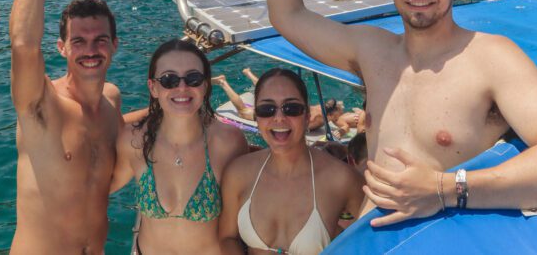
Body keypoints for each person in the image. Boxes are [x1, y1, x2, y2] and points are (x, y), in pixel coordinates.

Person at [267, 0, 537, 227]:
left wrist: (445, 189)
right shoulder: (371, 50)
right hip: (371, 243)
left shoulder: (492, 57)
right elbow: (288, 16)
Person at [9, 0, 123, 254]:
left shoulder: (111, 103)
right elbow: (24, 46)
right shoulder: (42, 104)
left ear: (114, 46)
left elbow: (114, 142)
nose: (90, 50)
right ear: (61, 48)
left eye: (99, 40)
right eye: (79, 41)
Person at [111, 39, 248, 255]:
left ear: (205, 85)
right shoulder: (134, 140)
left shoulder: (228, 142)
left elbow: (245, 214)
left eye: (193, 78)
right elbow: (99, 190)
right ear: (153, 87)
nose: (182, 88)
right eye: (169, 80)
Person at [219, 68, 364, 254]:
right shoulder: (238, 172)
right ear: (257, 116)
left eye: (291, 108)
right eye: (267, 109)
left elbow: (382, 236)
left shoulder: (340, 178)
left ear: (307, 116)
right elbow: (227, 237)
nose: (279, 117)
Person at [211, 71, 354, 137]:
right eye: (337, 115)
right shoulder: (317, 117)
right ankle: (222, 82)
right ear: (331, 113)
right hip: (274, 113)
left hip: (284, 107)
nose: (338, 118)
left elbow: (343, 125)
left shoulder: (321, 110)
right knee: (243, 111)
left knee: (267, 91)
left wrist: (342, 130)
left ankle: (249, 73)